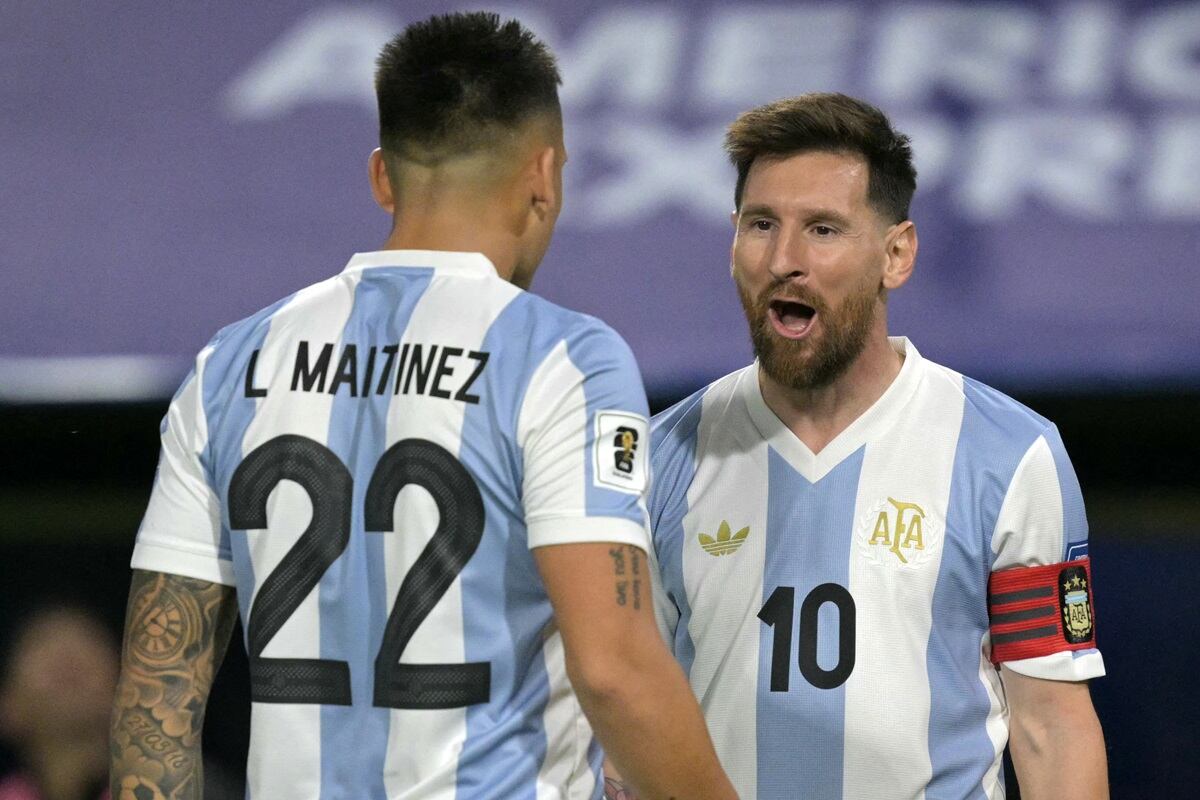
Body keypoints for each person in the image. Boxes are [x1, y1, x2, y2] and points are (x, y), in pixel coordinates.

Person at [109, 12, 735, 800]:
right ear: (543, 178)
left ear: (381, 176)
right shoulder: (562, 357)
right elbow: (614, 670)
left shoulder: (230, 363)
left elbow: (155, 701)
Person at [637, 93, 1107, 799]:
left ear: (896, 254)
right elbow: (623, 705)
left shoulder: (1009, 455)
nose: (785, 259)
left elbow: (1052, 728)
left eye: (823, 229)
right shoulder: (659, 457)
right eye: (762, 224)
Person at [0, 605, 115, 800]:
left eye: (87, 637)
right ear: (8, 705)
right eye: (40, 641)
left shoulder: (163, 790)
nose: (66, 652)